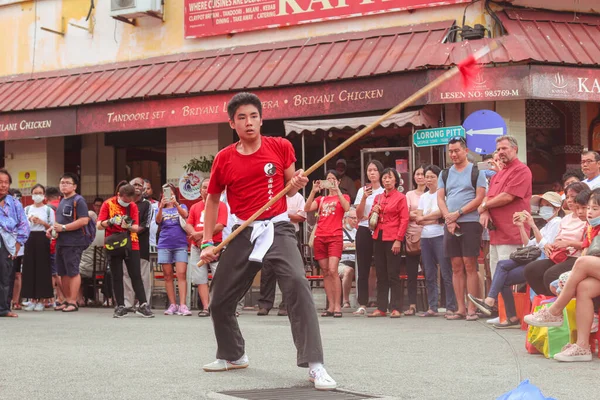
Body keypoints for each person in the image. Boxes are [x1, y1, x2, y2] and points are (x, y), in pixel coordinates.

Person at [200, 92, 336, 390]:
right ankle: (233, 354)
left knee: (298, 284)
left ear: (261, 119)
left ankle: (315, 365)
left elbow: (289, 190)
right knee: (219, 298)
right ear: (232, 123)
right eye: (241, 118)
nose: (248, 122)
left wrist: (296, 183)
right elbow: (212, 201)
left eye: (253, 116)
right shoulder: (224, 158)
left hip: (277, 227)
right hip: (242, 230)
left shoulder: (279, 146)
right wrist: (208, 242)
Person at [523, 189, 600, 361]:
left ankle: (555, 311)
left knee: (581, 262)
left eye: (595, 209)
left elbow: (585, 258)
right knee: (583, 287)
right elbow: (588, 252)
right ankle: (582, 347)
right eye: (589, 208)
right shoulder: (591, 228)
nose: (589, 212)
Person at [468, 191, 563, 328]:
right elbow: (529, 245)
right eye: (542, 205)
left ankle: (492, 303)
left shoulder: (557, 222)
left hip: (542, 262)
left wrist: (533, 226)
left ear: (557, 208)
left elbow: (546, 247)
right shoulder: (547, 225)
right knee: (503, 270)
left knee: (502, 269)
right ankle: (507, 313)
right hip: (535, 259)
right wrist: (521, 227)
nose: (544, 208)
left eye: (548, 205)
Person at [438, 136, 486, 321]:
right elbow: (441, 198)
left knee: (470, 265)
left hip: (470, 222)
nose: (454, 154)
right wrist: (448, 218)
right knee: (456, 266)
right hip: (451, 224)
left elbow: (479, 198)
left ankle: (472, 307)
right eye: (451, 151)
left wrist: (457, 213)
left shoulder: (476, 171)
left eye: (457, 150)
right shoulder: (445, 173)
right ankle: (460, 309)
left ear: (466, 151)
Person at [479, 136, 533, 281]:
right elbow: (488, 196)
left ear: (514, 149)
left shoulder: (522, 170)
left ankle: (505, 304)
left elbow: (507, 197)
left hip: (512, 232)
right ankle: (496, 303)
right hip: (496, 233)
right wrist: (484, 210)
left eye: (504, 148)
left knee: (508, 278)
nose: (501, 152)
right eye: (498, 149)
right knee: (496, 275)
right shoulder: (499, 173)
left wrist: (483, 206)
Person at [97, 184, 154, 318]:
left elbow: (136, 226)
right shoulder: (108, 204)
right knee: (117, 275)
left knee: (136, 274)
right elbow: (99, 225)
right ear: (119, 195)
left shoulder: (132, 206)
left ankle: (143, 304)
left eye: (130, 200)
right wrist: (110, 221)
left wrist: (127, 225)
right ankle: (120, 305)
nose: (127, 203)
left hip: (131, 242)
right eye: (125, 200)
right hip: (113, 243)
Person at [523, 183, 589, 296]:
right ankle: (547, 301)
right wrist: (553, 245)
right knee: (531, 269)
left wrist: (568, 243)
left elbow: (587, 244)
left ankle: (556, 306)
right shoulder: (566, 219)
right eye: (567, 197)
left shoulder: (587, 218)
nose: (569, 200)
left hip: (576, 257)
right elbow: (557, 239)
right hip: (562, 256)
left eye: (573, 196)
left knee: (550, 274)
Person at [305, 170, 351, 318]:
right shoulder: (321, 199)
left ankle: (338, 305)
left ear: (338, 181)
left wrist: (337, 191)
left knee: (333, 270)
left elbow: (347, 208)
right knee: (325, 271)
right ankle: (330, 306)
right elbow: (306, 209)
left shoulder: (343, 196)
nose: (330, 181)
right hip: (320, 237)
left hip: (335, 236)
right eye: (328, 179)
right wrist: (313, 191)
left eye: (333, 179)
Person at [416, 165, 457, 317]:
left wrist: (426, 218)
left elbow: (441, 212)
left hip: (440, 235)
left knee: (446, 272)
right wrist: (432, 219)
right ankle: (432, 307)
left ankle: (451, 306)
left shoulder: (443, 195)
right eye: (427, 176)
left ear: (439, 178)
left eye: (432, 176)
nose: (428, 179)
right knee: (429, 273)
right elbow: (417, 218)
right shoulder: (423, 197)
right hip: (425, 237)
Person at [368, 168, 409, 318]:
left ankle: (396, 307)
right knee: (381, 273)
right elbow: (370, 218)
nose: (386, 180)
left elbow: (404, 219)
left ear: (395, 180)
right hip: (378, 236)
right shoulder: (377, 197)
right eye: (384, 178)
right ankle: (381, 307)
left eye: (389, 178)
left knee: (393, 273)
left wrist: (398, 239)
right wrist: (375, 210)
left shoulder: (400, 197)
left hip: (392, 238)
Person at [257, 190, 306, 316]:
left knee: (287, 270)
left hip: (289, 234)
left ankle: (286, 305)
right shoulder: (270, 194)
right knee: (267, 270)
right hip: (269, 232)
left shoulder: (297, 196)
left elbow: (301, 217)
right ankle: (264, 305)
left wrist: (283, 215)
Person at [186, 177, 228, 317]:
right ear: (200, 191)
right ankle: (206, 307)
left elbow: (220, 225)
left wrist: (199, 234)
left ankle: (221, 307)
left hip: (215, 245)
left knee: (219, 277)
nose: (206, 190)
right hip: (196, 246)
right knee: (200, 278)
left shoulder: (221, 206)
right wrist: (195, 235)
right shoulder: (194, 207)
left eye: (208, 187)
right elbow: (188, 224)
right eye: (203, 187)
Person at [49, 173, 90, 313]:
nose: (64, 185)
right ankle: (66, 300)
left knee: (73, 271)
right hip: (61, 241)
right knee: (63, 272)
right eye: (62, 182)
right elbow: (60, 221)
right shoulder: (62, 201)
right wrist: (52, 228)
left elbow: (84, 220)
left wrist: (64, 228)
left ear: (74, 186)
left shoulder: (79, 200)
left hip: (74, 241)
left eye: (67, 182)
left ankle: (73, 301)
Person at [353, 160, 384, 315]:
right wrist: (364, 197)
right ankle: (363, 303)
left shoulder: (384, 190)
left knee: (380, 266)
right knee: (363, 267)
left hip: (380, 230)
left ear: (380, 172)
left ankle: (382, 302)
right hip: (364, 229)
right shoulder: (362, 191)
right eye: (369, 170)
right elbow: (358, 215)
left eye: (374, 170)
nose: (372, 173)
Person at [156, 183, 190, 316]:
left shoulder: (181, 206)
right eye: (165, 193)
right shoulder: (161, 209)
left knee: (181, 274)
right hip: (164, 244)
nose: (168, 195)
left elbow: (185, 215)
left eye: (170, 192)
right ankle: (172, 304)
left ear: (175, 193)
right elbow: (158, 221)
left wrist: (175, 204)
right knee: (168, 275)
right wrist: (160, 207)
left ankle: (182, 305)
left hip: (180, 243)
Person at [0, 169, 30, 318]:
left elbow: (24, 225)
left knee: (6, 276)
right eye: (0, 182)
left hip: (8, 243)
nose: (3, 185)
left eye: (6, 182)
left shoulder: (15, 203)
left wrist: (18, 244)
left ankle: (4, 308)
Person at [21, 184, 54, 312]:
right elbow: (22, 224)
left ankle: (41, 300)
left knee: (42, 268)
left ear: (44, 195)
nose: (38, 195)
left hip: (42, 238)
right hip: (29, 238)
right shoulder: (27, 209)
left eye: (40, 192)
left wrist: (42, 222)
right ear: (32, 194)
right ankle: (31, 299)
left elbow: (52, 227)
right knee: (29, 268)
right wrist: (30, 219)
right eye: (35, 192)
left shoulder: (48, 210)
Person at [123, 177, 151, 311]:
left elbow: (145, 225)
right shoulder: (124, 204)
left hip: (141, 245)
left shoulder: (147, 205)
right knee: (126, 274)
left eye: (141, 185)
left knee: (143, 275)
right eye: (135, 184)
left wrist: (130, 230)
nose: (138, 186)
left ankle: (143, 303)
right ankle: (128, 304)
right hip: (125, 244)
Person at [403, 165, 427, 316]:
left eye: (423, 174)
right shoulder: (409, 194)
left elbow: (436, 213)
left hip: (429, 235)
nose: (420, 176)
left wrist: (416, 214)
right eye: (417, 174)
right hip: (412, 236)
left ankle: (433, 304)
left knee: (430, 272)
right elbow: (405, 214)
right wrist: (423, 215)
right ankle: (412, 304)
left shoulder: (433, 194)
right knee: (411, 273)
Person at [45, 186, 63, 306]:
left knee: (53, 273)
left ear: (45, 198)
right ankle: (61, 298)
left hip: (50, 243)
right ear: (59, 196)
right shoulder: (63, 207)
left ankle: (54, 298)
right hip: (62, 243)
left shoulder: (46, 209)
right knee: (59, 272)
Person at [8, 189, 24, 310]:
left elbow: (23, 226)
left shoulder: (19, 208)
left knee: (16, 274)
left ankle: (15, 301)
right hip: (3, 244)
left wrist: (18, 243)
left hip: (16, 246)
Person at [339, 208, 357, 308]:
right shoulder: (339, 231)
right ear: (345, 218)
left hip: (355, 261)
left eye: (356, 218)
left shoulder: (357, 232)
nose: (355, 220)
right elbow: (338, 246)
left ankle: (367, 300)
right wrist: (350, 245)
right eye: (353, 218)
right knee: (348, 271)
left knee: (371, 269)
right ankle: (346, 300)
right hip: (341, 262)